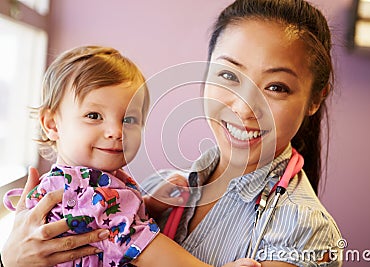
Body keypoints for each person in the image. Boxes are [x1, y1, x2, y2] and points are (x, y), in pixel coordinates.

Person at [1, 0, 343, 266]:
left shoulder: (304, 232)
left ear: (315, 98)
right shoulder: (162, 187)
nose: (243, 107)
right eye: (228, 76)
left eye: (277, 87)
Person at [1, 45, 259, 267]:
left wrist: (151, 205)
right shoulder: (81, 191)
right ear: (52, 124)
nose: (115, 131)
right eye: (94, 116)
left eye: (129, 119)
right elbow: (141, 247)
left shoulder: (93, 181)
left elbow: (110, 226)